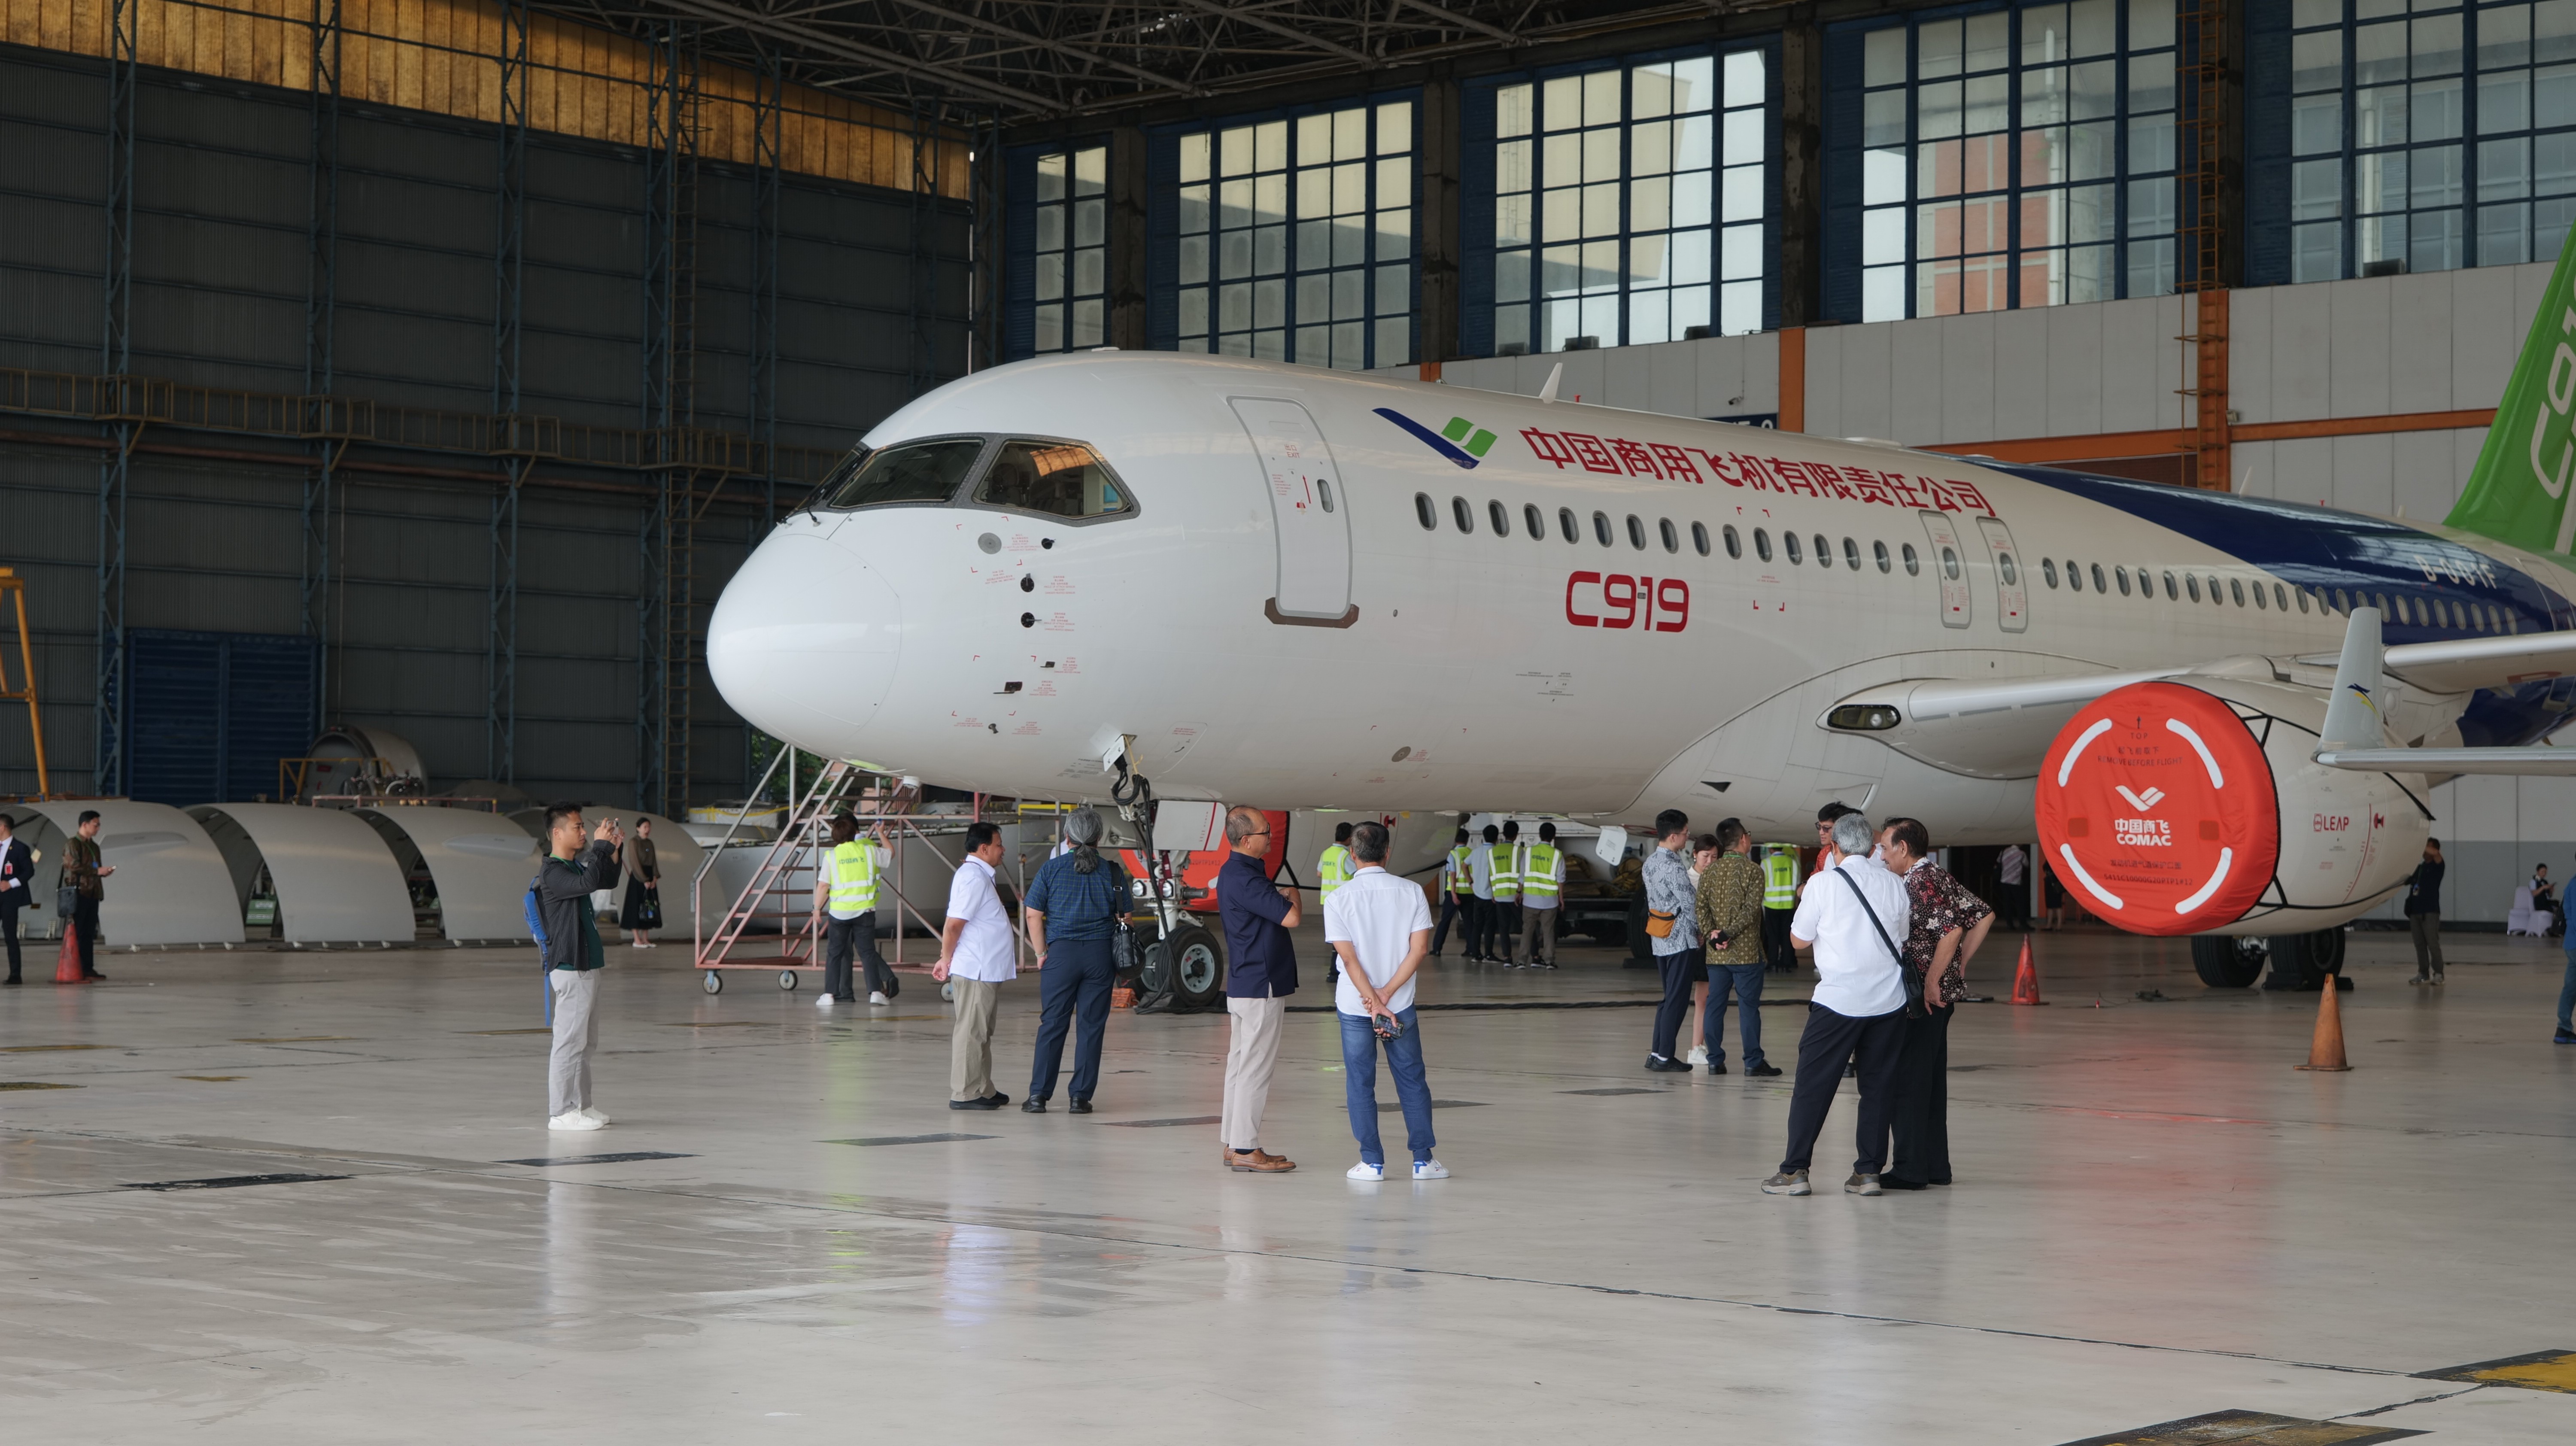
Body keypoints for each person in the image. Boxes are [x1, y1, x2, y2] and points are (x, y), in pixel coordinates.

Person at [1762, 811, 1911, 1197]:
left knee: (1813, 1087)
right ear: (1872, 847)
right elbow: (1902, 937)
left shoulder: (1823, 883)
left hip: (1838, 1002)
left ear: (1836, 846)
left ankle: (1795, 1172)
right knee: (1878, 1088)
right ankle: (1868, 1174)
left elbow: (1798, 940)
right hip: (1888, 1002)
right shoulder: (1894, 884)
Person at [1324, 820, 1447, 1181]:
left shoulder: (1338, 898)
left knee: (1360, 1082)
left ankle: (1372, 1162)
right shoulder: (1412, 892)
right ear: (1387, 852)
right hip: (1399, 1005)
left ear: (1352, 854)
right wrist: (1387, 995)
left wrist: (1372, 1000)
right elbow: (1419, 950)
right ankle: (1423, 1161)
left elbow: (1349, 959)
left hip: (1355, 1006)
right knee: (1412, 1079)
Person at [1877, 818, 1991, 1191]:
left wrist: (1932, 980)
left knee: (1910, 1083)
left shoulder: (1919, 881)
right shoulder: (1938, 874)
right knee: (1929, 1084)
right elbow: (1983, 915)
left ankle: (1910, 1169)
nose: (1882, 856)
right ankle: (1935, 1167)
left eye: (1885, 848)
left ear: (1903, 848)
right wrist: (1959, 965)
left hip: (1923, 1000)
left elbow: (1952, 930)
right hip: (1940, 999)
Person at [1021, 808, 1128, 1114]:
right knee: (1091, 1027)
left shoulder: (1051, 869)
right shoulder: (1113, 872)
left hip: (1061, 957)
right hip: (1100, 956)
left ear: (1067, 837)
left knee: (1053, 1024)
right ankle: (1080, 1098)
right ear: (1099, 838)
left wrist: (1041, 954)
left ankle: (1039, 1096)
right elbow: (1126, 919)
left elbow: (1033, 915)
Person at [1216, 805, 1300, 1172]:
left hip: (1244, 982)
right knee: (1255, 1069)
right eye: (1266, 832)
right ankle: (1247, 1149)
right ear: (1247, 840)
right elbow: (1292, 917)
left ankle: (1233, 1143)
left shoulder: (1235, 872)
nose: (1271, 837)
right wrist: (1292, 894)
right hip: (1260, 985)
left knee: (1239, 1066)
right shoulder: (1247, 879)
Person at [535, 803, 623, 1131]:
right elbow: (587, 883)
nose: (584, 832)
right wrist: (600, 848)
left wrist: (613, 848)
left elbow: (605, 879)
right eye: (578, 827)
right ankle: (561, 1112)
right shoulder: (553, 872)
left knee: (586, 1043)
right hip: (571, 966)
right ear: (557, 833)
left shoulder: (572, 867)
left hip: (587, 965)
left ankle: (582, 1105)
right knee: (569, 1042)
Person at [933, 821, 1016, 1111]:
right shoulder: (973, 877)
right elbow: (954, 925)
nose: (1003, 849)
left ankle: (982, 1087)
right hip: (976, 969)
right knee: (971, 1031)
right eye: (998, 845)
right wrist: (946, 959)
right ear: (984, 849)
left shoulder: (978, 875)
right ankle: (965, 1092)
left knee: (982, 1031)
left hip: (985, 969)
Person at [1696, 818, 1779, 1077]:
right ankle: (1753, 1062)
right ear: (1743, 838)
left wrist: (1713, 935)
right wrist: (1728, 933)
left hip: (1716, 954)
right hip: (1746, 955)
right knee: (1748, 1009)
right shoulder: (1754, 871)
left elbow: (1701, 908)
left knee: (1714, 1006)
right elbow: (1751, 911)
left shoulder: (1709, 871)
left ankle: (1714, 1061)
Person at [810, 814, 896, 1007]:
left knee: (835, 954)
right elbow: (890, 854)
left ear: (835, 836)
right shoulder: (869, 851)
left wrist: (816, 909)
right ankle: (875, 993)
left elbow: (823, 885)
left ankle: (829, 995)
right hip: (865, 911)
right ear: (854, 833)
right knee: (867, 953)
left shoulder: (832, 856)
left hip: (839, 913)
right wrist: (881, 834)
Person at [1642, 809, 1698, 1073]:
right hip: (1680, 939)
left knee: (1668, 999)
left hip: (1660, 938)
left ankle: (1657, 1053)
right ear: (1674, 836)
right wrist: (1701, 931)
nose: (1688, 837)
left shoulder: (1650, 863)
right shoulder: (1674, 866)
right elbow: (1689, 903)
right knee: (1677, 1000)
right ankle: (1665, 1057)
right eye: (1686, 833)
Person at [60, 810, 114, 981]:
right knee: (78, 931)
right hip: (79, 893)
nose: (98, 829)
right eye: (96, 825)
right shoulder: (73, 844)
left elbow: (94, 869)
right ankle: (75, 968)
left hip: (93, 893)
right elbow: (73, 866)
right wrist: (96, 871)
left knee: (89, 933)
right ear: (85, 825)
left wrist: (102, 872)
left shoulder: (94, 847)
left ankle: (88, 968)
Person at [1683, 833, 1718, 1064]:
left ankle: (1699, 1046)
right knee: (1700, 998)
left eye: (1715, 857)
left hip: (1711, 943)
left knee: (1705, 998)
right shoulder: (1688, 880)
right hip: (1695, 945)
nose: (1710, 861)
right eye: (1706, 856)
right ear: (1695, 854)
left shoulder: (1716, 878)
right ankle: (1696, 1047)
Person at [1517, 820, 1565, 970]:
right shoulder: (1557, 855)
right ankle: (1549, 961)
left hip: (1530, 900)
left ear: (1539, 835)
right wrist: (1561, 898)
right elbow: (1561, 879)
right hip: (1550, 901)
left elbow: (1522, 875)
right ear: (1554, 837)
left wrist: (1519, 892)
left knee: (1527, 931)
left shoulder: (1529, 852)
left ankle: (1522, 961)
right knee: (1548, 931)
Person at [2405, 839, 2445, 986]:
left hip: (2430, 912)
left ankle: (2439, 973)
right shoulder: (2420, 868)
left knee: (2432, 943)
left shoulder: (2438, 866)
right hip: (2415, 911)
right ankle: (2423, 972)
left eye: (2427, 847)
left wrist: (2419, 841)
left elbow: (2436, 854)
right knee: (2419, 944)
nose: (2424, 851)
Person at [618, 816, 662, 949]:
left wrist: (655, 877)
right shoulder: (634, 842)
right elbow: (635, 862)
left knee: (649, 907)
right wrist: (644, 880)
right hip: (638, 877)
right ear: (638, 828)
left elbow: (654, 862)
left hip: (649, 876)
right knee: (636, 907)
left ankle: (645, 939)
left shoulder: (650, 843)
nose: (647, 830)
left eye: (649, 827)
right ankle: (637, 939)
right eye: (645, 827)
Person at [1429, 827, 1473, 958]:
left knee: (1446, 921)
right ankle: (1471, 949)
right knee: (1469, 922)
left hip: (1454, 893)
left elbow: (1453, 874)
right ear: (1467, 840)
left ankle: (1437, 949)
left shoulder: (1453, 854)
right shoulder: (1471, 852)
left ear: (1455, 840)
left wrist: (1454, 894)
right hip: (1469, 892)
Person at [0, 813, 30, 986]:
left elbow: (29, 871)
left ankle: (15, 975)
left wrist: (10, 884)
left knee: (10, 935)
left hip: (9, 898)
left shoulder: (19, 848)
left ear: (3, 827)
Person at [1759, 841, 1799, 974]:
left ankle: (1772, 963)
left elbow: (1762, 883)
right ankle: (1786, 964)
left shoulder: (1766, 863)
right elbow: (1797, 881)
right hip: (1788, 904)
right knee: (1787, 935)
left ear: (1771, 849)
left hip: (1771, 904)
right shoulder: (1792, 862)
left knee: (1773, 936)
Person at [1466, 823, 1501, 963]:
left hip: (1477, 893)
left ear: (1484, 837)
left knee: (1477, 925)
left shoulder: (1476, 852)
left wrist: (1471, 882)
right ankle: (1489, 954)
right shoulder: (1496, 852)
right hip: (1491, 895)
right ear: (1497, 838)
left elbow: (1464, 865)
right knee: (1489, 926)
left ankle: (1476, 954)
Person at [1488, 820, 1522, 965]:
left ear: (1503, 834)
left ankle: (1507, 958)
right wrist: (1520, 891)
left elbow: (1492, 874)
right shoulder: (1519, 851)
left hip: (1499, 895)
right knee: (1527, 927)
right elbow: (1523, 874)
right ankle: (1535, 956)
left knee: (1504, 929)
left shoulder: (1492, 852)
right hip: (1516, 896)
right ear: (1516, 835)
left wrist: (1494, 892)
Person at [1318, 821, 1356, 906]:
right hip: (1342, 899)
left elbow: (1319, 874)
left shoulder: (1326, 853)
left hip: (1327, 899)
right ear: (1349, 839)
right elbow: (1358, 874)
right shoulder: (1345, 856)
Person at [1995, 843, 2029, 931]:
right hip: (2016, 882)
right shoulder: (2021, 854)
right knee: (2020, 903)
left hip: (2004, 881)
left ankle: (2009, 924)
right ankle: (2022, 923)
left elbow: (1999, 861)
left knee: (2007, 904)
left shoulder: (2004, 851)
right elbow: (2026, 864)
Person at [2531, 863, 2560, 937]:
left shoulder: (2545, 882)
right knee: (2555, 909)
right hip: (2540, 903)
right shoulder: (2533, 882)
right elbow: (2534, 893)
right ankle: (2553, 930)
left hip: (2546, 902)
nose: (2544, 874)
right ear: (2538, 871)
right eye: (2542, 872)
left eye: (2545, 872)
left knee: (2557, 905)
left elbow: (2549, 896)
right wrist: (2543, 888)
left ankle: (2554, 928)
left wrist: (2551, 891)